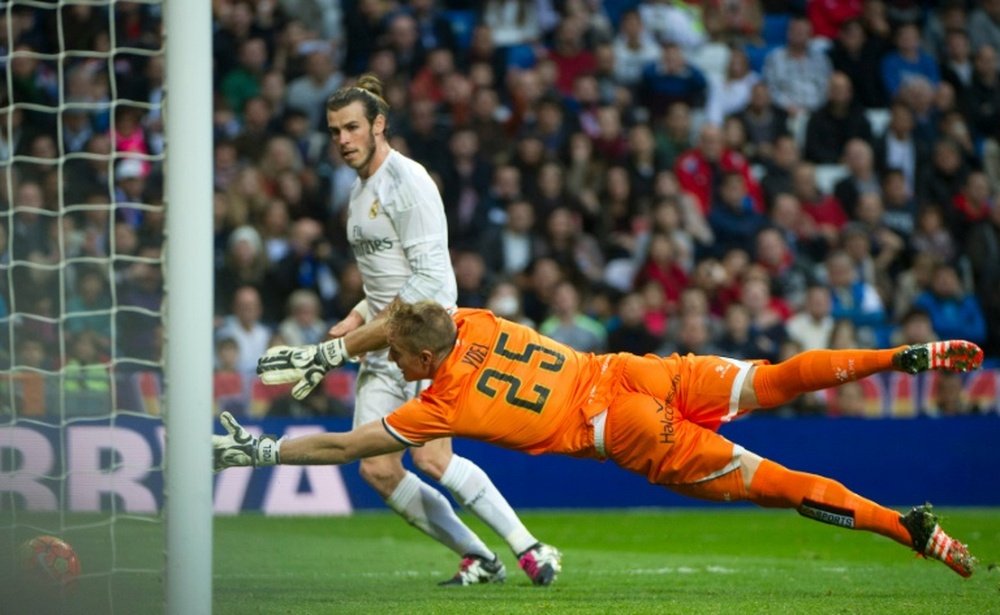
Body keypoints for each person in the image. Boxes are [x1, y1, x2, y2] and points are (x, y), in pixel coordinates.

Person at [225, 300, 985, 579]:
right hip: (636, 373)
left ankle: (907, 528)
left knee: (776, 481)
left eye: (399, 357)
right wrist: (342, 345)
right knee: (778, 376)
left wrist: (265, 448)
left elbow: (344, 447)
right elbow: (402, 317)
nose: (392, 359)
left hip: (621, 429)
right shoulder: (478, 319)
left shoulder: (438, 406)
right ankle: (902, 355)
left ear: (425, 361)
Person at [305, 74, 558, 586]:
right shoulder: (359, 194)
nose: (343, 140)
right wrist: (355, 320)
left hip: (425, 346)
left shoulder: (410, 184)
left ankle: (530, 547)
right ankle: (481, 559)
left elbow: (433, 283)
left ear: (379, 125)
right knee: (377, 469)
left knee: (432, 457)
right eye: (334, 131)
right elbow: (388, 280)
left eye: (352, 128)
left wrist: (361, 336)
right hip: (381, 346)